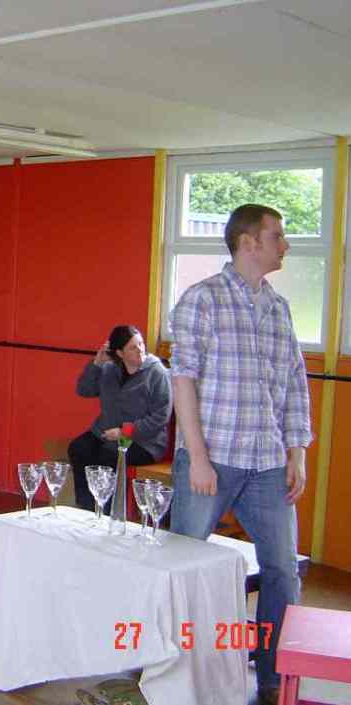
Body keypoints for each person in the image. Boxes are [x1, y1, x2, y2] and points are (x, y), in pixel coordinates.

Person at [168, 204, 311, 705]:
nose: (285, 245)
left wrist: (297, 451)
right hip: (213, 457)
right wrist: (197, 457)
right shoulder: (201, 299)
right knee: (183, 567)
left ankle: (272, 678)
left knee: (282, 571)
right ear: (249, 242)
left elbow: (294, 383)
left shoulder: (279, 308)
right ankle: (169, 669)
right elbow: (182, 380)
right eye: (278, 235)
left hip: (268, 461)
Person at [68, 325, 172, 511]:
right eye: (133, 347)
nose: (140, 350)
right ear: (120, 353)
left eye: (141, 344)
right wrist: (96, 364)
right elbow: (84, 390)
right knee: (78, 448)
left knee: (108, 456)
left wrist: (125, 431)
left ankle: (108, 512)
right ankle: (85, 507)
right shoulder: (109, 369)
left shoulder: (157, 373)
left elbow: (160, 417)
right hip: (105, 432)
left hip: (144, 441)